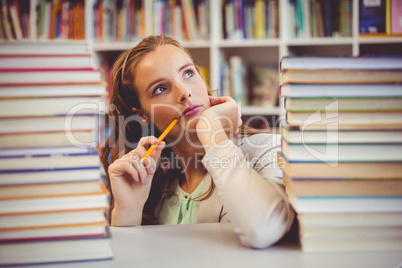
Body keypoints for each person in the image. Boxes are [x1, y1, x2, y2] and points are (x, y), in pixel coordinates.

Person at [100, 35, 295, 249]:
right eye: (160, 89)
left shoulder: (268, 149)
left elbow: (264, 229)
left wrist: (212, 131)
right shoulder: (153, 182)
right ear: (142, 115)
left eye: (188, 73)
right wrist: (128, 211)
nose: (184, 92)